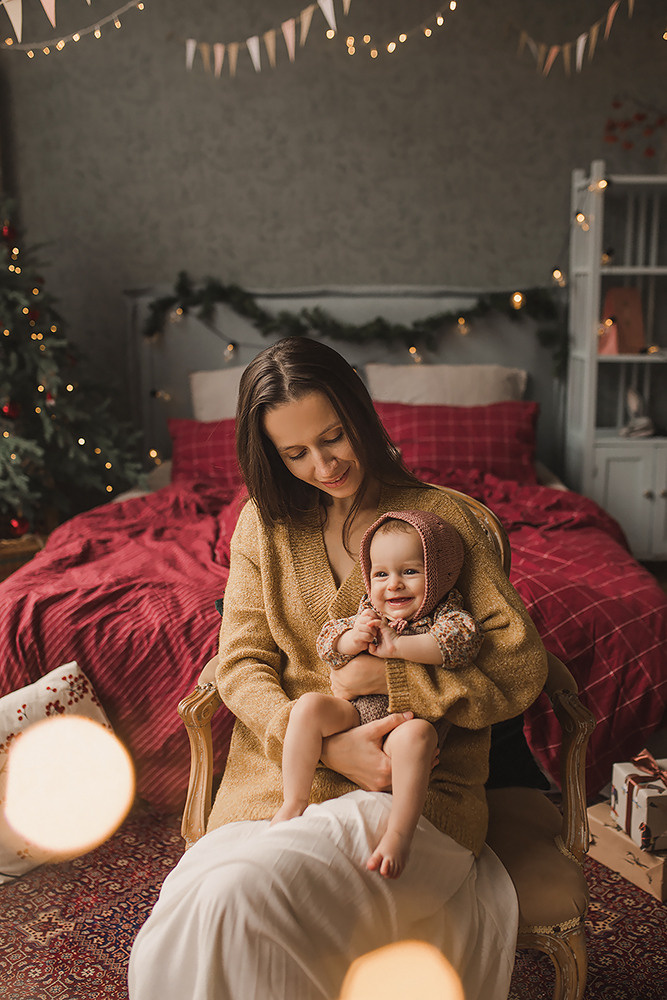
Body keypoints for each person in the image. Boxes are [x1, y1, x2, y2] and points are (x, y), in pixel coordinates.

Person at [128, 336, 548, 1000]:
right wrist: (327, 747)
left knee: (236, 901)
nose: (322, 465)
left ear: (359, 412)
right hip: (274, 788)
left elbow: (519, 669)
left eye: (333, 438)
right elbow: (239, 664)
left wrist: (397, 678)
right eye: (295, 454)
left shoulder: (446, 522)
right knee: (193, 918)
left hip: (412, 801)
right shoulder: (261, 526)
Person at [272, 510, 483, 881]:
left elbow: (460, 643)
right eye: (381, 574)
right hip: (354, 714)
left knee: (418, 738)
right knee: (307, 707)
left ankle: (399, 835)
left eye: (410, 572)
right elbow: (327, 644)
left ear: (439, 575)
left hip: (407, 723)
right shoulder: (368, 611)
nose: (394, 585)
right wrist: (351, 636)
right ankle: (294, 800)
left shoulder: (445, 613)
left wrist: (399, 647)